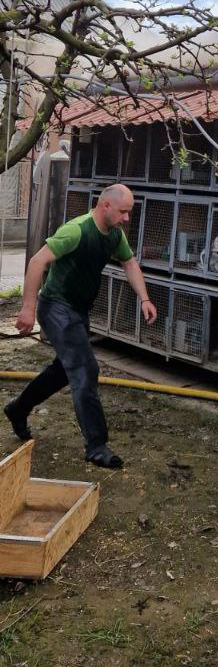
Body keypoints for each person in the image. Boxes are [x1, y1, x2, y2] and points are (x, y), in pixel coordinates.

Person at [4, 185, 157, 469]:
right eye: (123, 211)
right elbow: (38, 262)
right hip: (56, 307)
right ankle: (96, 446)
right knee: (86, 369)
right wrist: (27, 308)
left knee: (65, 369)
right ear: (106, 207)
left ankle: (18, 408)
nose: (126, 218)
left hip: (78, 310)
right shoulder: (76, 230)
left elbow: (130, 263)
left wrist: (144, 298)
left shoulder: (114, 235)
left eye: (129, 213)